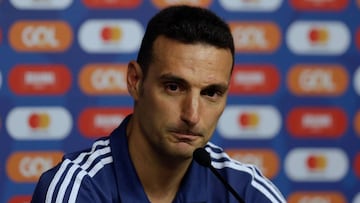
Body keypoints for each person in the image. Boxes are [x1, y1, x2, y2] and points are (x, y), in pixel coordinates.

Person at [31, 5, 285, 203]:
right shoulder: (79, 188)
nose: (192, 115)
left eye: (210, 93)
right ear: (135, 81)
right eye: (174, 87)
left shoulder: (244, 190)